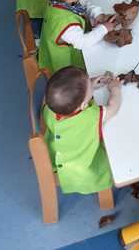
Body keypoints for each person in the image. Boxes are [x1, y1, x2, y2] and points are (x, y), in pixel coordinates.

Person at [43, 66, 121, 195]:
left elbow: (71, 94)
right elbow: (113, 108)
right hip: (82, 171)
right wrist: (115, 88)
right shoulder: (89, 117)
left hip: (57, 156)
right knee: (116, 159)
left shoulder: (50, 107)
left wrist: (89, 85)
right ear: (84, 106)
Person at [38, 0, 116, 75]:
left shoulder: (58, 0)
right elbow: (83, 43)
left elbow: (83, 2)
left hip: (51, 44)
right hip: (63, 64)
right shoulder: (66, 24)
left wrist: (97, 13)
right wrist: (104, 28)